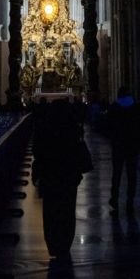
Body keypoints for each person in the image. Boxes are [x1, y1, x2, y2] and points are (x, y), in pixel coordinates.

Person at [31, 100, 86, 258]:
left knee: (50, 210)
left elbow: (37, 151)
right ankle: (65, 243)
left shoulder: (43, 128)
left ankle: (52, 243)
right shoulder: (74, 129)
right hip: (69, 176)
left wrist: (38, 170)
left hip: (49, 176)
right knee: (68, 209)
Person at [107, 86, 140, 212]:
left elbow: (108, 124)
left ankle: (114, 197)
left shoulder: (114, 107)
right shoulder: (136, 107)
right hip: (132, 145)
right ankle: (130, 199)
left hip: (118, 145)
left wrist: (113, 137)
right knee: (132, 174)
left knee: (116, 173)